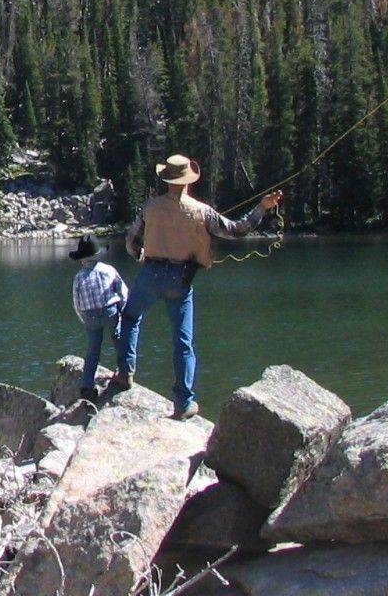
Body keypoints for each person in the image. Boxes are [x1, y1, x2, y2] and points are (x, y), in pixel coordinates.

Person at [116, 154, 283, 420]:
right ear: (188, 181)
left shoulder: (150, 207)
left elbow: (131, 242)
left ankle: (125, 373)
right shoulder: (203, 211)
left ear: (166, 179)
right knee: (183, 343)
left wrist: (140, 255)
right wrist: (262, 208)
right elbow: (237, 229)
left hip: (150, 273)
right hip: (180, 279)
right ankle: (183, 404)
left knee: (129, 317)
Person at [69, 234, 127, 406]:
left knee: (92, 350)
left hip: (89, 315)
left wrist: (83, 318)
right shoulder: (108, 270)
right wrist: (122, 309)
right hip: (109, 311)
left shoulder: (79, 277)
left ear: (81, 259)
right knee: (118, 338)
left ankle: (86, 388)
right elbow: (123, 292)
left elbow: (76, 302)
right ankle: (125, 372)